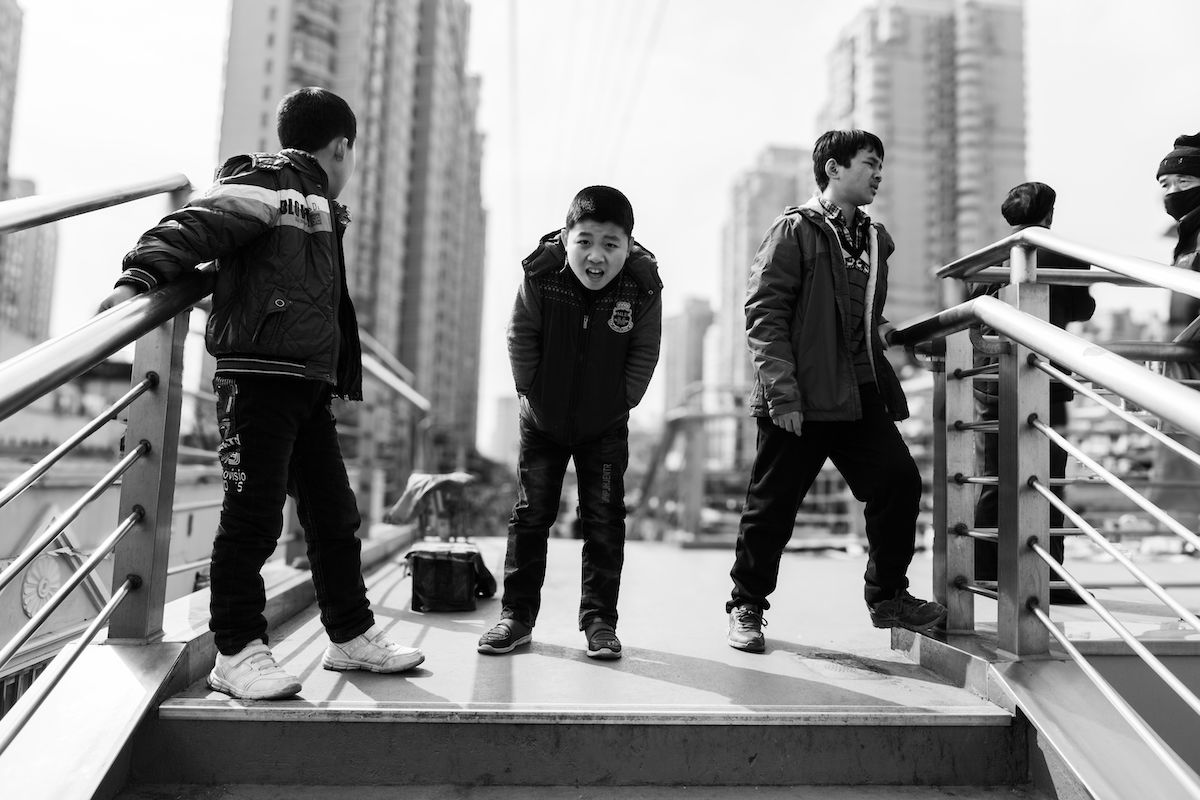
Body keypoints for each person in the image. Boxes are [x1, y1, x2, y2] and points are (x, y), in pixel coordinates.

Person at [99, 87, 424, 700]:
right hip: (256, 382)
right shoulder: (272, 183)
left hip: (304, 386)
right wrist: (139, 277)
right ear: (340, 149)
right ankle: (237, 652)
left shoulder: (320, 208)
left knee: (335, 516)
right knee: (252, 522)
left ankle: (350, 635)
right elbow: (196, 223)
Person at [726, 130, 946, 654]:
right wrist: (782, 394)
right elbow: (765, 314)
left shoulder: (872, 239)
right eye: (870, 164)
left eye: (880, 165)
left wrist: (892, 334)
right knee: (772, 507)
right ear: (832, 168)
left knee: (898, 482)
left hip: (857, 391)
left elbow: (860, 309)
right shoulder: (793, 231)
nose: (878, 174)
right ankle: (746, 605)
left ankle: (888, 596)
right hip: (799, 394)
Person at [477, 186, 662, 660]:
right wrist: (530, 393)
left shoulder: (641, 285)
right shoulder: (541, 274)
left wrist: (623, 400)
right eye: (585, 241)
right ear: (565, 237)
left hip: (604, 425)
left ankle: (600, 622)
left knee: (603, 519)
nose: (596, 256)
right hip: (541, 421)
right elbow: (520, 334)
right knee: (532, 514)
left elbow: (645, 349)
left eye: (610, 244)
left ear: (629, 245)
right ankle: (515, 617)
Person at [970, 182, 1095, 603]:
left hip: (992, 378)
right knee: (1047, 479)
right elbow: (1083, 308)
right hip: (1044, 377)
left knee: (994, 475)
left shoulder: (990, 256)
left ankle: (986, 571)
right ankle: (1048, 575)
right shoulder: (1063, 254)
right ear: (1049, 213)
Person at [1149, 132, 1200, 517]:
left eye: (1185, 181)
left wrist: (1176, 343)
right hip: (1185, 364)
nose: (1173, 190)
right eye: (1166, 183)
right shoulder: (1187, 235)